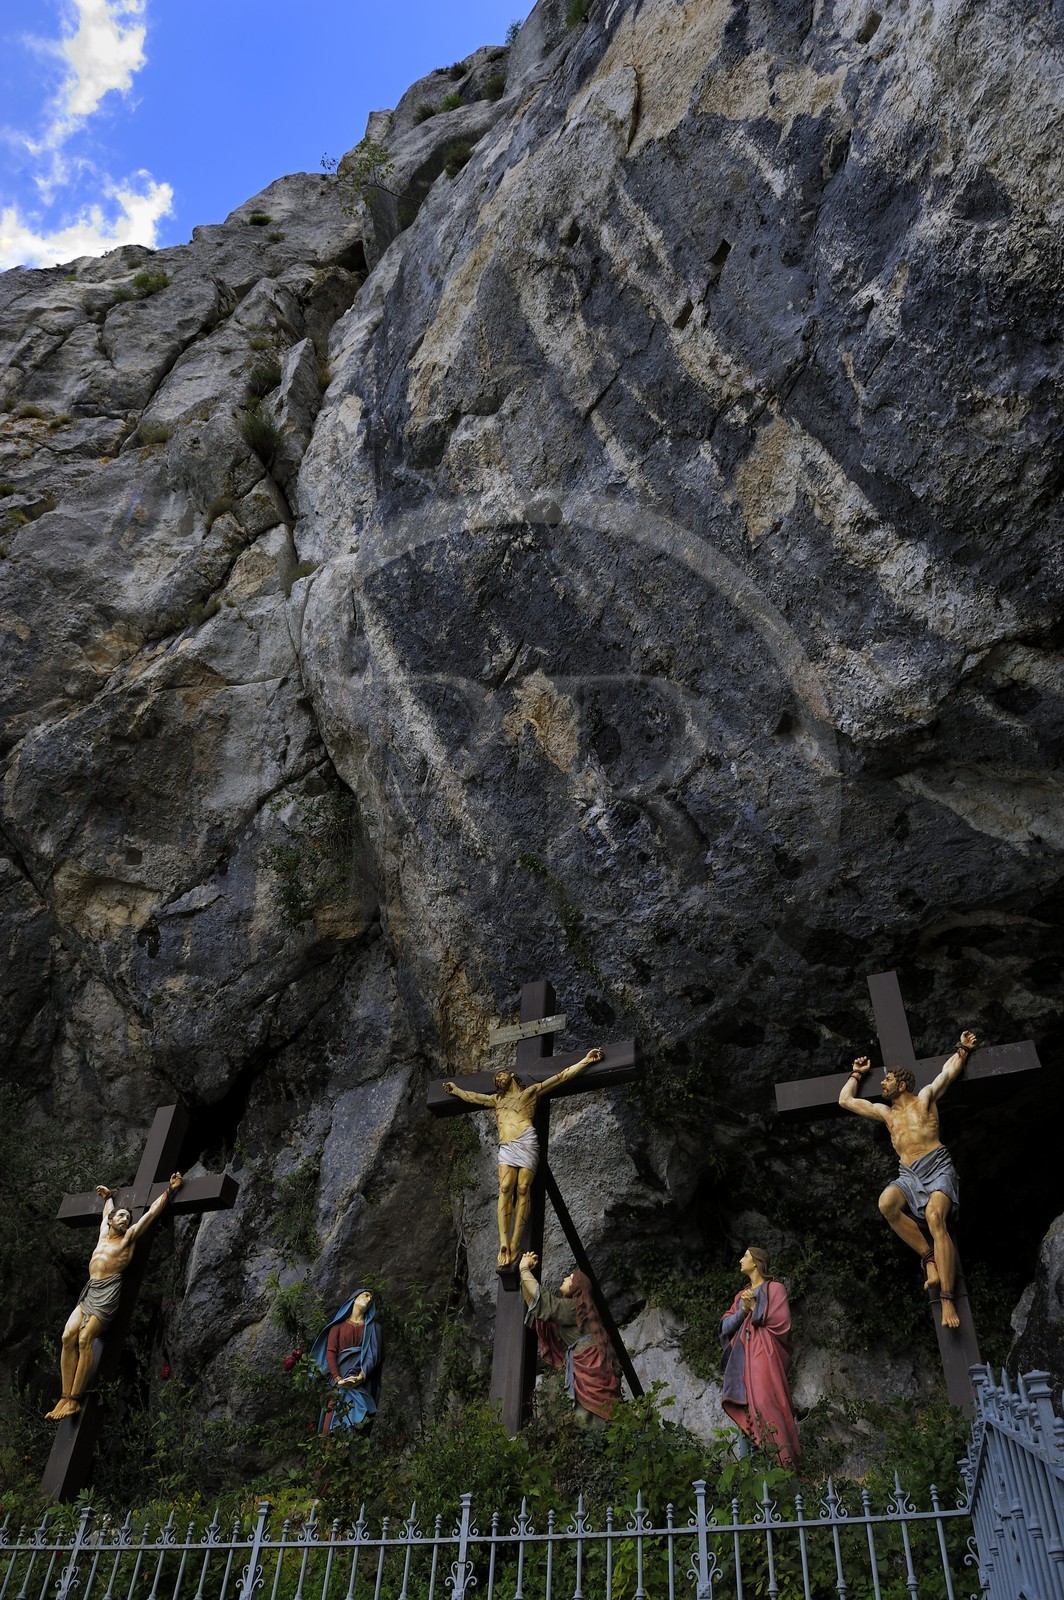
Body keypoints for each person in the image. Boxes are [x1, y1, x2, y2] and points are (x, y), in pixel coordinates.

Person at [838, 1030, 977, 1330]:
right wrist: (856, 1074)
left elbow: (947, 1074)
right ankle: (928, 1258)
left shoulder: (924, 1098)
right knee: (886, 1203)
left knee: (935, 1216)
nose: (882, 1084)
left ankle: (948, 1298)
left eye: (886, 1080)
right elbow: (845, 1100)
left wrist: (962, 1050)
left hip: (937, 1166)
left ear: (901, 1084)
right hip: (909, 1175)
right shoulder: (886, 1114)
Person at [443, 1048, 603, 1267]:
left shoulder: (530, 1093)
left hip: (526, 1142)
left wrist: (585, 1061)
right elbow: (473, 1097)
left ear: (511, 1075)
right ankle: (503, 1242)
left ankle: (516, 1243)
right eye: (495, 1078)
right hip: (507, 1146)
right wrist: (456, 1090)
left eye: (500, 1075)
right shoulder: (496, 1101)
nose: (498, 1079)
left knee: (522, 1188)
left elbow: (562, 1076)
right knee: (505, 1187)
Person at [46, 1173, 183, 1421]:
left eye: (128, 1217)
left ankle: (74, 1400)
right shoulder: (102, 1235)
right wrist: (108, 1197)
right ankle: (64, 1396)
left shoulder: (128, 1238)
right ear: (111, 1221)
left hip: (108, 1292)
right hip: (90, 1290)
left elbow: (150, 1214)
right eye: (121, 1215)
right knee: (67, 1336)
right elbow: (105, 1212)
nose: (125, 1219)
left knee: (85, 1337)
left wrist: (169, 1191)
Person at [518, 1251, 621, 1424]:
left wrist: (523, 1269)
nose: (565, 1278)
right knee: (591, 1412)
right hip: (588, 1363)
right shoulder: (576, 1309)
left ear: (577, 1287)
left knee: (591, 1413)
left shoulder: (574, 1308)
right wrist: (524, 1276)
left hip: (589, 1367)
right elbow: (539, 1307)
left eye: (570, 1278)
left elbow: (546, 1305)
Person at [720, 1247, 800, 1467]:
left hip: (765, 1354)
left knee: (766, 1401)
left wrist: (755, 1308)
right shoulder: (740, 1296)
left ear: (756, 1262)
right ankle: (750, 1468)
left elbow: (782, 1324)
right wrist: (742, 1310)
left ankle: (786, 1464)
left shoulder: (775, 1289)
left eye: (745, 1256)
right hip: (744, 1358)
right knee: (744, 1403)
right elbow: (725, 1326)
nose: (740, 1260)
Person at [310, 1290, 381, 1435]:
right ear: (354, 1299)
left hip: (361, 1383)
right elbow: (331, 1353)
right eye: (366, 1295)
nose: (369, 1299)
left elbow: (373, 1355)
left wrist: (361, 1376)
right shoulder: (337, 1327)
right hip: (339, 1383)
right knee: (332, 1421)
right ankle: (331, 1453)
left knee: (358, 1424)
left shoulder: (373, 1328)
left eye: (371, 1298)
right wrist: (338, 1379)